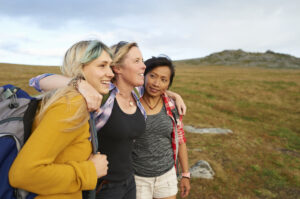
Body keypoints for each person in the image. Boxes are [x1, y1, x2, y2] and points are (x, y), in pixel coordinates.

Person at [29, 42, 187, 199]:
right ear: (117, 68)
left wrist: (175, 96)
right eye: (137, 61)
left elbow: (156, 87)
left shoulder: (137, 92)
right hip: (103, 186)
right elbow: (38, 80)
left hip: (129, 180)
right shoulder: (101, 95)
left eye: (142, 60)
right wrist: (80, 84)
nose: (144, 66)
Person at [8, 40, 112, 199]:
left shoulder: (74, 101)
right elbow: (23, 174)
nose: (110, 73)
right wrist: (90, 171)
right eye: (102, 65)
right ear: (80, 67)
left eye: (110, 66)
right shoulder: (71, 104)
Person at [132, 56, 191, 199]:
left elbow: (181, 140)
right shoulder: (130, 103)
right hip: (137, 178)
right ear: (144, 75)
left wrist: (185, 174)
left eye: (164, 80)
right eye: (152, 76)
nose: (157, 83)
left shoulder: (172, 106)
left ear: (169, 84)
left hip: (167, 175)